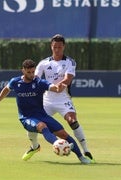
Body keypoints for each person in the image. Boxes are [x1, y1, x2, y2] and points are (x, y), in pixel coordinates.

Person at [0, 59, 90, 164]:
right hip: (26, 117)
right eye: (29, 72)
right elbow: (6, 89)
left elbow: (53, 87)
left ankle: (81, 157)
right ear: (23, 70)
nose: (32, 74)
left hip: (42, 115)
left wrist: (58, 87)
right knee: (42, 126)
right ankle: (57, 144)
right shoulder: (15, 82)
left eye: (33, 72)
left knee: (64, 134)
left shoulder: (39, 82)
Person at [34, 34, 95, 162]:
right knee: (35, 121)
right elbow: (36, 80)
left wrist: (60, 86)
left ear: (64, 47)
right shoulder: (43, 63)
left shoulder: (70, 62)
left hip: (63, 99)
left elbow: (67, 79)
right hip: (47, 100)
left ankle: (86, 150)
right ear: (51, 47)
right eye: (55, 47)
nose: (57, 50)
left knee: (72, 120)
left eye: (59, 47)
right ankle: (34, 146)